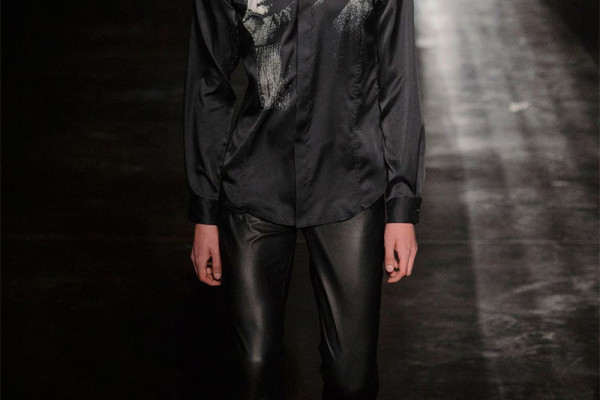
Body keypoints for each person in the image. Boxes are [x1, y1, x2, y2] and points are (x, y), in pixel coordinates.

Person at [183, 0, 425, 398]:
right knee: (253, 369)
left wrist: (402, 205)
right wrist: (205, 211)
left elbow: (398, 77)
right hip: (255, 184)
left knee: (351, 378)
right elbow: (208, 82)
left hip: (348, 182)